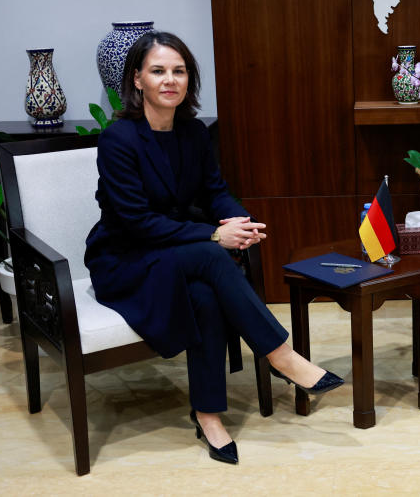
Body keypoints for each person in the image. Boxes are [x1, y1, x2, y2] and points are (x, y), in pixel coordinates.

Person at [85, 31, 343, 465]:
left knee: (204, 293)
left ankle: (208, 416)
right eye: (158, 71)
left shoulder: (192, 133)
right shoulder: (118, 140)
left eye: (179, 71)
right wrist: (211, 236)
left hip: (175, 252)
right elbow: (136, 222)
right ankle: (283, 356)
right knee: (210, 253)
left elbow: (215, 191)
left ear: (189, 79)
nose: (170, 79)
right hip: (126, 258)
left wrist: (238, 221)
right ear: (137, 80)